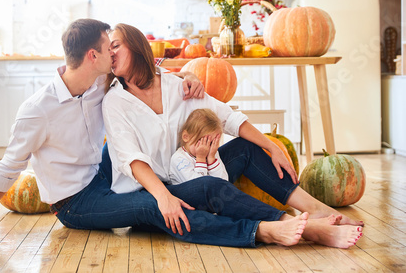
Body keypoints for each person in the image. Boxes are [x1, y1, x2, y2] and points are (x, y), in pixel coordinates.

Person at [0, 18, 205, 238]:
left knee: (135, 143)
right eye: (110, 48)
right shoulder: (37, 111)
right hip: (74, 203)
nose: (114, 53)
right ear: (93, 56)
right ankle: (236, 228)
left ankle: (173, 182)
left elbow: (144, 67)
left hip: (99, 172)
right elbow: (6, 169)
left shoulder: (100, 81)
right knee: (149, 204)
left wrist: (187, 73)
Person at [103, 22, 364, 248]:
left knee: (245, 148)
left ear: (136, 45)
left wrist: (272, 147)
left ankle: (316, 209)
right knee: (210, 185)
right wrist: (164, 197)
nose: (110, 54)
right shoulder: (114, 101)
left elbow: (228, 118)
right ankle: (295, 225)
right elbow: (131, 158)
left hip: (190, 170)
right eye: (107, 49)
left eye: (115, 45)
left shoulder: (176, 86)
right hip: (154, 195)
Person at [169, 108, 228, 185]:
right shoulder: (179, 159)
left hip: (210, 193)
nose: (206, 148)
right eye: (203, 141)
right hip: (185, 194)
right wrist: (201, 158)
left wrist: (211, 160)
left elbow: (224, 182)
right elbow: (200, 186)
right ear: (186, 137)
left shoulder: (211, 153)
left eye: (212, 143)